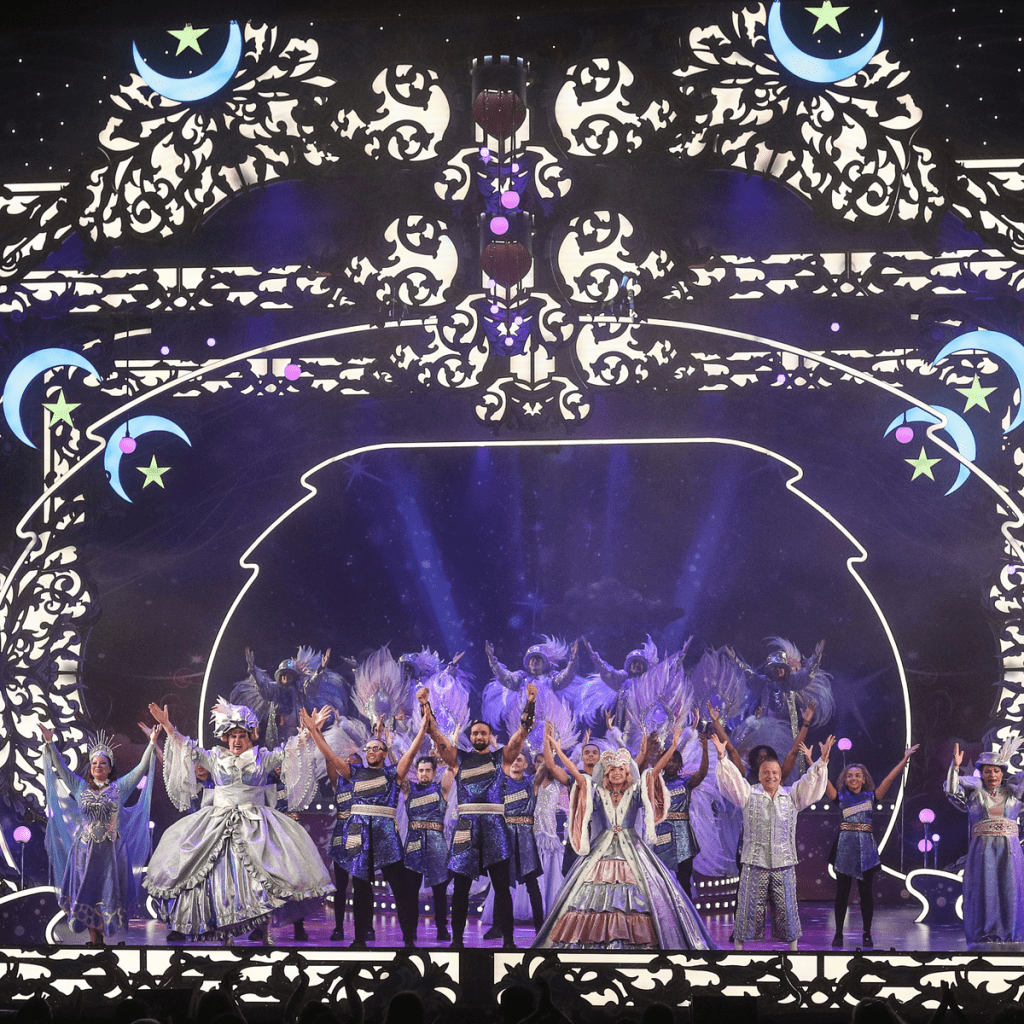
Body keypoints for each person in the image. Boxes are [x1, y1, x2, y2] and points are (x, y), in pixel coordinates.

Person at [144, 699, 333, 945]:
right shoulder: (215, 758)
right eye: (232, 735)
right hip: (218, 824)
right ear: (225, 737)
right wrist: (168, 727)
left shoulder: (261, 758)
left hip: (256, 825)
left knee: (263, 877)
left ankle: (264, 932)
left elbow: (289, 751)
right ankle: (227, 934)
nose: (237, 740)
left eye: (241, 735)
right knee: (220, 878)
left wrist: (309, 731)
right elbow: (186, 747)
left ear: (250, 736)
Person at [533, 726, 716, 950]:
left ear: (627, 772)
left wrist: (674, 745)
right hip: (601, 847)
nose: (617, 773)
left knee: (647, 890)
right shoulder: (597, 792)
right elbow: (576, 775)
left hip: (632, 846)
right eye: (612, 770)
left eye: (621, 769)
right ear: (606, 773)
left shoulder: (636, 792)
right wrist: (558, 750)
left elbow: (655, 771)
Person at [302, 705, 430, 948]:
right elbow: (330, 756)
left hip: (386, 837)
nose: (370, 751)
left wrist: (423, 729)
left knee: (401, 890)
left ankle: (408, 940)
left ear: (385, 753)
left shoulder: (393, 773)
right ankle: (359, 940)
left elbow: (412, 752)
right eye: (368, 748)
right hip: (360, 838)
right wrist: (314, 732)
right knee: (360, 890)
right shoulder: (354, 773)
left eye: (376, 748)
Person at [426, 682, 537, 948]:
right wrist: (424, 706)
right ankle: (457, 941)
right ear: (471, 736)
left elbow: (521, 734)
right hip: (467, 828)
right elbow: (436, 734)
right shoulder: (458, 759)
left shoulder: (503, 758)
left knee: (502, 888)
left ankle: (508, 941)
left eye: (483, 733)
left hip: (495, 828)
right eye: (475, 733)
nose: (478, 736)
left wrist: (531, 701)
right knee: (460, 889)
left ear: (489, 737)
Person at [712, 730, 834, 950]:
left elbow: (811, 784)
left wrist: (822, 762)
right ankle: (739, 947)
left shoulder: (792, 796)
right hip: (754, 861)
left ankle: (793, 948)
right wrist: (722, 757)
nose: (771, 776)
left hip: (783, 862)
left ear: (781, 775)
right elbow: (732, 782)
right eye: (766, 772)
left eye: (775, 772)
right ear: (759, 776)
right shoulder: (749, 794)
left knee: (787, 906)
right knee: (748, 906)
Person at [41, 725, 159, 945]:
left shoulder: (120, 788)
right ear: (90, 767)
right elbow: (61, 767)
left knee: (107, 891)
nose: (98, 766)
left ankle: (101, 938)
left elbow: (141, 767)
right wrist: (50, 743)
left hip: (111, 852)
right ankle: (93, 938)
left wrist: (152, 742)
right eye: (94, 763)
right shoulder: (79, 786)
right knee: (87, 891)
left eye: (103, 763)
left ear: (109, 767)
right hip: (84, 851)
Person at [827, 745, 918, 948]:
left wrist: (904, 760)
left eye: (857, 775)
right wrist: (817, 761)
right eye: (850, 775)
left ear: (864, 779)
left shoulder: (871, 797)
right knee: (842, 894)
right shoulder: (840, 797)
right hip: (844, 849)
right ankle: (838, 934)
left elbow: (889, 780)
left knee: (866, 894)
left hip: (866, 849)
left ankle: (867, 934)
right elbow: (823, 780)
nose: (853, 778)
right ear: (845, 779)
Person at [946, 740, 1024, 950]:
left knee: (1011, 892)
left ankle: (1013, 938)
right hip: (983, 850)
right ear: (981, 773)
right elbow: (952, 790)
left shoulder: (1013, 793)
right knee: (985, 891)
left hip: (1010, 851)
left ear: (1002, 773)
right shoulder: (975, 793)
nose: (992, 775)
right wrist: (955, 767)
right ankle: (984, 939)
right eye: (987, 771)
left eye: (996, 771)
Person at [647, 726, 709, 898]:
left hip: (683, 834)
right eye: (668, 760)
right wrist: (649, 748)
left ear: (680, 764)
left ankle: (687, 912)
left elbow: (702, 773)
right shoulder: (655, 782)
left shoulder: (686, 782)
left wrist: (705, 750)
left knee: (684, 878)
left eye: (675, 761)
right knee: (662, 877)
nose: (671, 764)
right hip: (662, 831)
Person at [402, 754, 453, 943]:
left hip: (436, 844)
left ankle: (442, 929)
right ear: (416, 772)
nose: (424, 774)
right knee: (410, 891)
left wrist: (447, 748)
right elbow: (399, 771)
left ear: (434, 772)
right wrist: (390, 747)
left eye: (428, 770)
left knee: (440, 890)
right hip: (414, 844)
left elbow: (451, 768)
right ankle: (410, 930)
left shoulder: (442, 789)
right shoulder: (409, 789)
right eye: (421, 770)